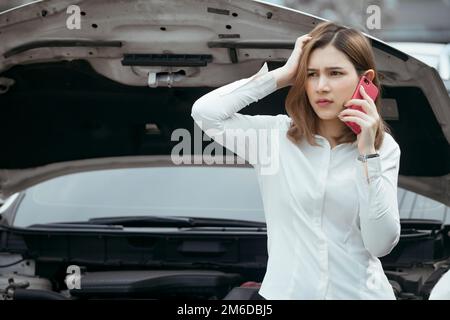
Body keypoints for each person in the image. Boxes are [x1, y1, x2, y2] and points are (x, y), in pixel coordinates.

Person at [191, 21, 401, 300]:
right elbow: (206, 113)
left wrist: (366, 153)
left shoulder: (382, 148)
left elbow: (380, 243)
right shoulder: (272, 137)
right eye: (312, 74)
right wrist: (283, 74)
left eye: (335, 73)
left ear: (366, 80)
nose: (321, 86)